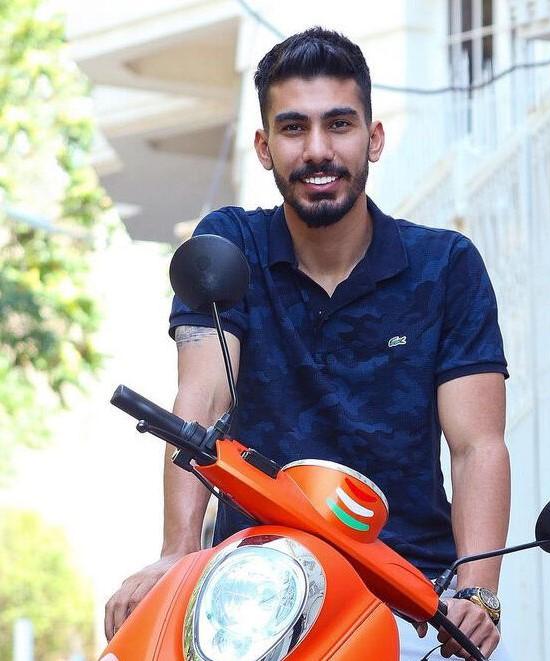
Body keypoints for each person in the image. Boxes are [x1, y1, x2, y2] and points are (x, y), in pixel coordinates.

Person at [103, 27, 512, 660]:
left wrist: (478, 595)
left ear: (374, 139)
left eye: (339, 125)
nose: (318, 150)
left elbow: (477, 444)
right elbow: (202, 397)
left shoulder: (446, 265)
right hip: (254, 599)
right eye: (293, 129)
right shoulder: (231, 244)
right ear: (264, 147)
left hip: (412, 603)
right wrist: (176, 554)